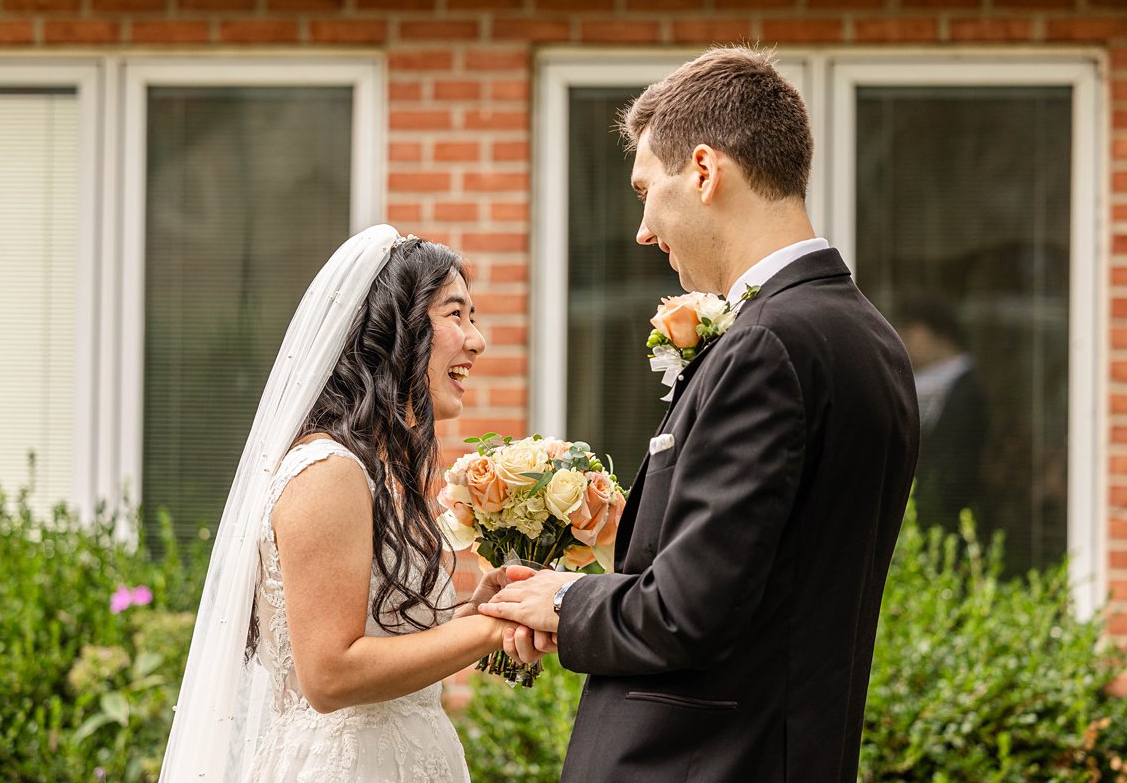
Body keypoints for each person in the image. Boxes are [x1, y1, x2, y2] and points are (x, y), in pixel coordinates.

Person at [480, 46, 920, 782]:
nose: (644, 231)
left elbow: (688, 611)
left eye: (647, 190)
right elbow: (759, 584)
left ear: (706, 172)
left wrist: (565, 599)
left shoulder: (770, 345)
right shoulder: (868, 336)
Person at [160, 225, 513, 782]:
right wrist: (487, 634)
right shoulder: (328, 472)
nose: (477, 340)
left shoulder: (375, 471)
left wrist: (483, 615)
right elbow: (330, 675)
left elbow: (385, 647)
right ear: (391, 333)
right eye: (455, 315)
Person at [896, 300, 986, 531]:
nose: (904, 342)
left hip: (948, 513)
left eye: (910, 333)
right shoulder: (924, 382)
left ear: (934, 334)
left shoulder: (966, 391)